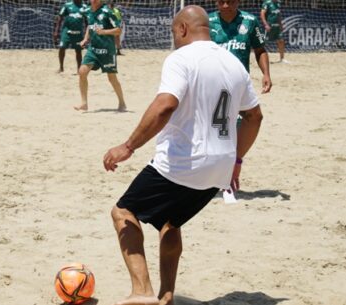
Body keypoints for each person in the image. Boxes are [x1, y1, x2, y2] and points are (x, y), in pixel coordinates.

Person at [102, 6, 263, 305]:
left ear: (183, 29)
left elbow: (165, 104)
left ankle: (142, 292)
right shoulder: (233, 63)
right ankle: (167, 297)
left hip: (182, 164)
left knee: (123, 213)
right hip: (219, 169)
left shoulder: (181, 58)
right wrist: (237, 161)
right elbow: (254, 117)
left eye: (174, 32)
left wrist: (128, 146)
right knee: (170, 222)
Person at [209, 0, 272, 94]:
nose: (225, 6)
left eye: (230, 2)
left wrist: (266, 74)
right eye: (221, 2)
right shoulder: (207, 22)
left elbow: (260, 50)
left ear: (238, 2)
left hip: (240, 82)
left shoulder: (250, 21)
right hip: (213, 82)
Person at [74, 0, 126, 112]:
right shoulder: (88, 10)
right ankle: (84, 103)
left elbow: (118, 30)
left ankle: (122, 103)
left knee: (112, 78)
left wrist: (103, 32)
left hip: (107, 50)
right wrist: (85, 39)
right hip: (93, 49)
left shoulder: (107, 12)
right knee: (82, 72)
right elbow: (90, 25)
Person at [54, 0, 88, 73]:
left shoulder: (84, 7)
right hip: (67, 32)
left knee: (78, 51)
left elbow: (87, 21)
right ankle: (61, 67)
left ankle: (79, 69)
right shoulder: (67, 5)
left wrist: (86, 33)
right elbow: (60, 18)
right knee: (62, 48)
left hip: (78, 33)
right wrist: (56, 31)